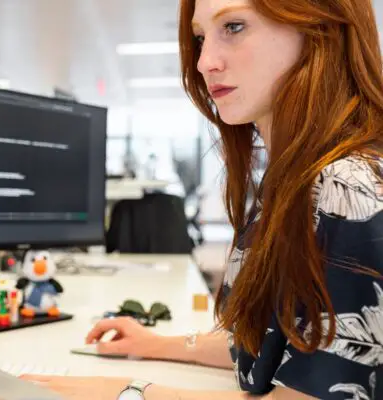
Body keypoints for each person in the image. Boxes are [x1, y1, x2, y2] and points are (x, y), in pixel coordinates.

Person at [22, 0, 383, 398]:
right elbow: (273, 347)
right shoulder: (294, 181)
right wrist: (151, 344)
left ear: (320, 29)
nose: (203, 62)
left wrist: (127, 392)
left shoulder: (347, 188)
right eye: (199, 37)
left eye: (233, 26)